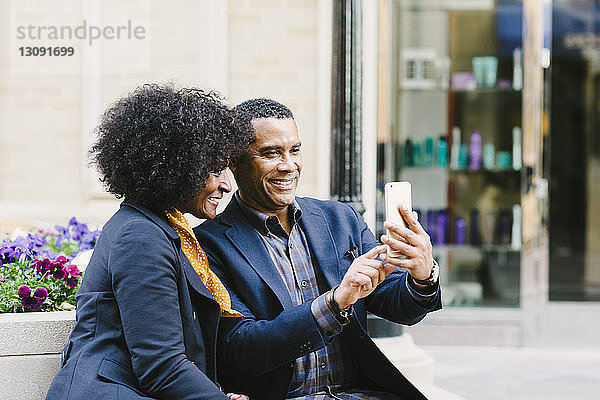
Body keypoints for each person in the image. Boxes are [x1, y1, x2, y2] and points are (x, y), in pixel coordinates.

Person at [194, 98, 442, 400]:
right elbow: (242, 347)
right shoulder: (207, 244)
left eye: (294, 150)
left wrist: (422, 275)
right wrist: (336, 303)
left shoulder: (340, 219)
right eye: (270, 153)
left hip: (359, 393)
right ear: (234, 161)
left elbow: (399, 307)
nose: (288, 165)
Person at [45, 84, 252, 400]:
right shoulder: (141, 237)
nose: (225, 184)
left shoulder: (158, 227)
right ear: (179, 168)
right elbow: (161, 366)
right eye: (214, 169)